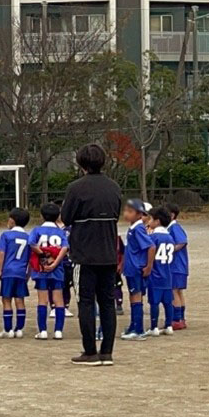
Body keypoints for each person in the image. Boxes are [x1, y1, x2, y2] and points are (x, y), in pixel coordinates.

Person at [61, 143, 123, 366]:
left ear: (81, 163)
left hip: (84, 254)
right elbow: (116, 214)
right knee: (107, 302)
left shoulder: (76, 188)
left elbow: (66, 217)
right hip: (108, 252)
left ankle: (90, 351)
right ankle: (107, 352)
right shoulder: (114, 187)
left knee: (85, 303)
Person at [29, 203, 70, 341]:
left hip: (41, 269)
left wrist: (43, 256)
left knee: (43, 300)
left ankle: (43, 331)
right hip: (57, 270)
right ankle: (58, 331)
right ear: (58, 216)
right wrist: (55, 263)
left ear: (41, 216)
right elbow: (65, 248)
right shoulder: (61, 232)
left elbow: (32, 244)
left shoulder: (37, 230)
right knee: (59, 299)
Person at [0, 208, 32, 339]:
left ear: (12, 220)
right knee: (20, 300)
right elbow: (31, 258)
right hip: (21, 272)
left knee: (6, 300)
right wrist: (28, 273)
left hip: (9, 271)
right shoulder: (28, 237)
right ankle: (19, 329)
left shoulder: (6, 235)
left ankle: (8, 329)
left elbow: (1, 253)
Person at [120, 200, 153, 341]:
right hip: (130, 267)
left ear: (139, 214)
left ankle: (138, 329)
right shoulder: (133, 227)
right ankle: (133, 325)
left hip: (136, 268)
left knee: (136, 296)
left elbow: (151, 247)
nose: (126, 214)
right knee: (133, 296)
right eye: (125, 210)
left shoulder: (138, 229)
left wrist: (148, 266)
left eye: (130, 211)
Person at [147, 208, 177, 337]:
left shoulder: (152, 237)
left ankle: (154, 327)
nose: (149, 221)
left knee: (154, 302)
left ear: (157, 221)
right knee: (168, 302)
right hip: (167, 274)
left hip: (155, 274)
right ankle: (169, 325)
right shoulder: (170, 238)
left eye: (151, 219)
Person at [166, 203, 189, 330]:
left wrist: (169, 249)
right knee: (178, 291)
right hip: (179, 266)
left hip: (176, 265)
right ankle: (181, 318)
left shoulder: (174, 227)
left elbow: (182, 241)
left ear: (171, 215)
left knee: (174, 291)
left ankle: (177, 319)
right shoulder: (170, 227)